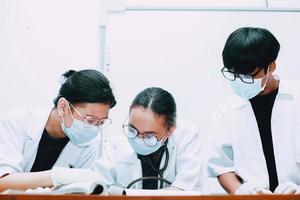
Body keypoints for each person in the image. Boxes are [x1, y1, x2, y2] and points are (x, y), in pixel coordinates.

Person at [207, 27, 300, 195]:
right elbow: (221, 166)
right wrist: (239, 191)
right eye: (233, 74)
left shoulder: (297, 99)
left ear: (271, 67)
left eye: (247, 75)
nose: (239, 81)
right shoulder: (226, 111)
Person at [0, 69, 116, 179]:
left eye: (100, 122)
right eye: (89, 120)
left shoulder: (90, 143)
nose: (93, 129)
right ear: (63, 107)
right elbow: (3, 181)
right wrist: (56, 177)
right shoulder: (17, 123)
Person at [91, 87, 203, 193]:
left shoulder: (186, 137)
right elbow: (100, 187)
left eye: (149, 136)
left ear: (170, 130)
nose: (138, 139)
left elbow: (184, 188)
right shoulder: (116, 145)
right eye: (132, 130)